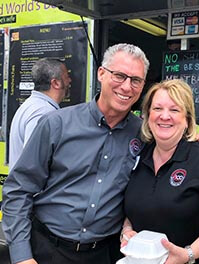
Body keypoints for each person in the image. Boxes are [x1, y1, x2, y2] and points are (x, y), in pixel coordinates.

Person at [2, 43, 150, 264]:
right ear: (101, 73)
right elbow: (18, 190)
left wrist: (194, 141)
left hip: (103, 254)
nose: (127, 87)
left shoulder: (144, 134)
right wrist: (22, 256)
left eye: (135, 80)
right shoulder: (57, 124)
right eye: (119, 76)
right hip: (47, 251)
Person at [121, 79, 199, 264]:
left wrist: (189, 254)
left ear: (187, 120)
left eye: (174, 110)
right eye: (157, 109)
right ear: (147, 116)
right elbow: (136, 208)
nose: (165, 116)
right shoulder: (138, 158)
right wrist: (127, 230)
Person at [9, 57, 71, 170]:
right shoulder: (43, 112)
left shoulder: (31, 106)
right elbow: (33, 163)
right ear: (56, 83)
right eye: (67, 77)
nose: (69, 81)